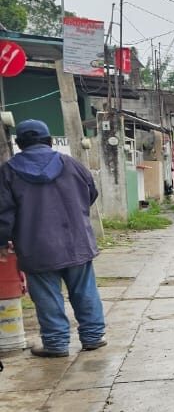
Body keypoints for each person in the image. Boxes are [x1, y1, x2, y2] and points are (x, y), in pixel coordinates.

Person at [0, 119, 106, 357]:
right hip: (76, 242)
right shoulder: (71, 164)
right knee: (84, 290)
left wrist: (1, 241)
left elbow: (3, 212)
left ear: (19, 143)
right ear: (49, 141)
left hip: (35, 247)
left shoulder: (8, 171)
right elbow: (90, 192)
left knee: (47, 295)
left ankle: (56, 344)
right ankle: (92, 337)